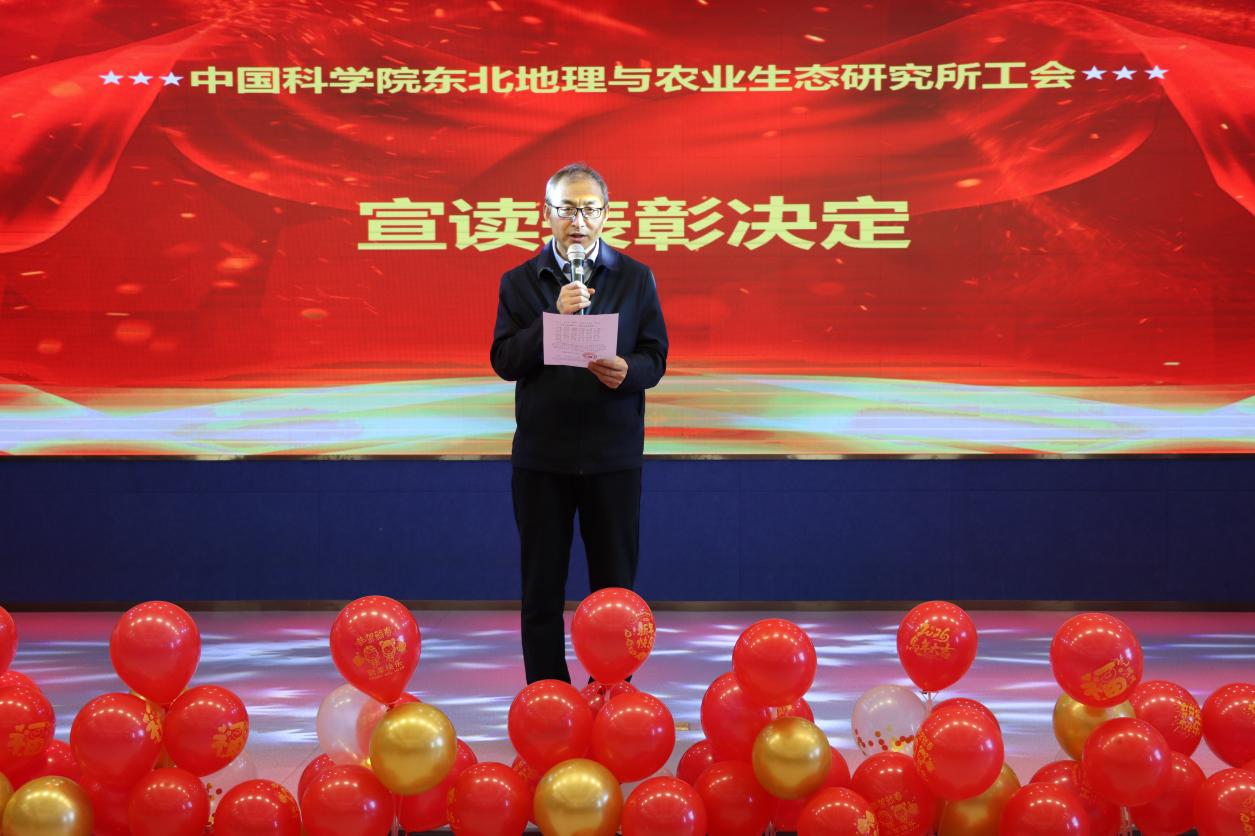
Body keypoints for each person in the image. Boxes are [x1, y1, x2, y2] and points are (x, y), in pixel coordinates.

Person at [490, 163, 668, 684]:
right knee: (541, 590)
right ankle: (548, 696)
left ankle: (613, 692)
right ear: (546, 213)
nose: (578, 221)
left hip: (613, 458)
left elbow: (655, 356)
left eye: (589, 209)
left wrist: (629, 371)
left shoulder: (635, 277)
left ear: (605, 214)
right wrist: (553, 319)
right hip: (542, 460)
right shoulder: (519, 282)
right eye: (567, 209)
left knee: (615, 592)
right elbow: (504, 361)